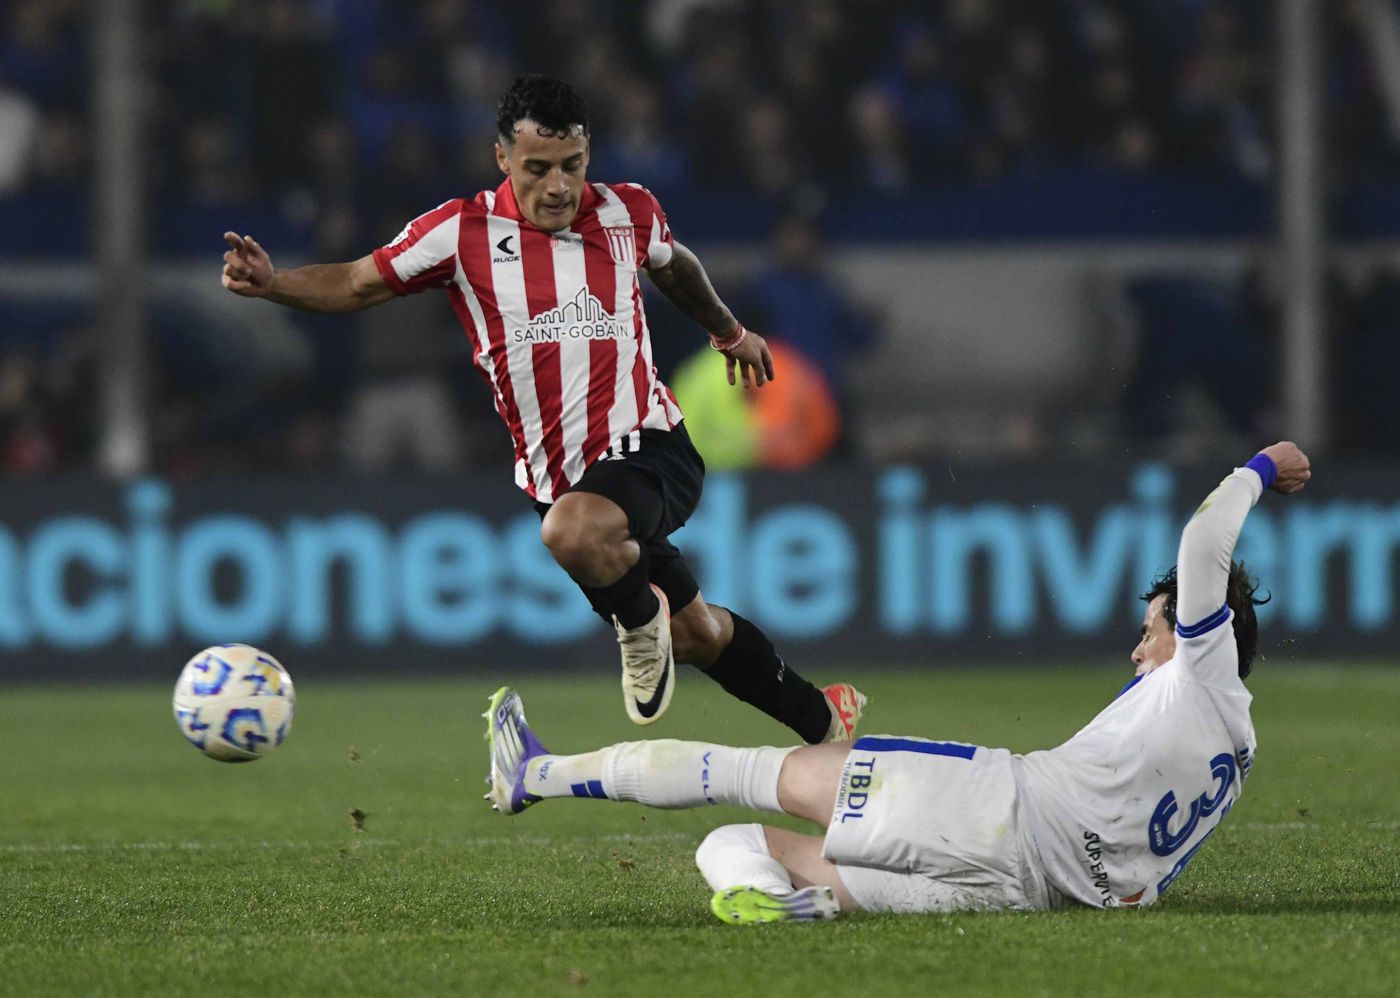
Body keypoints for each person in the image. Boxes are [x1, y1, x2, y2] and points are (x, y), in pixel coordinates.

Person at [220, 74, 863, 744]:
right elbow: (355, 281)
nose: (558, 187)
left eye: (571, 167)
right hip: (561, 480)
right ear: (503, 159)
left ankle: (639, 628)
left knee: (571, 534)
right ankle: (825, 722)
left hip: (650, 447)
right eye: (538, 169)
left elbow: (675, 265)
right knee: (696, 633)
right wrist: (274, 284)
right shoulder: (459, 233)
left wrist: (729, 331)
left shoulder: (626, 211)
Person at [484, 442, 1311, 923]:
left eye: (1153, 630)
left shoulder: (1202, 665)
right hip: (1029, 895)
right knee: (736, 850)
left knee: (744, 774)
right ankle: (772, 904)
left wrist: (1260, 469)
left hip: (997, 809)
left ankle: (536, 775)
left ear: (1208, 634)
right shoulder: (1238, 750)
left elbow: (1206, 544)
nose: (1140, 650)